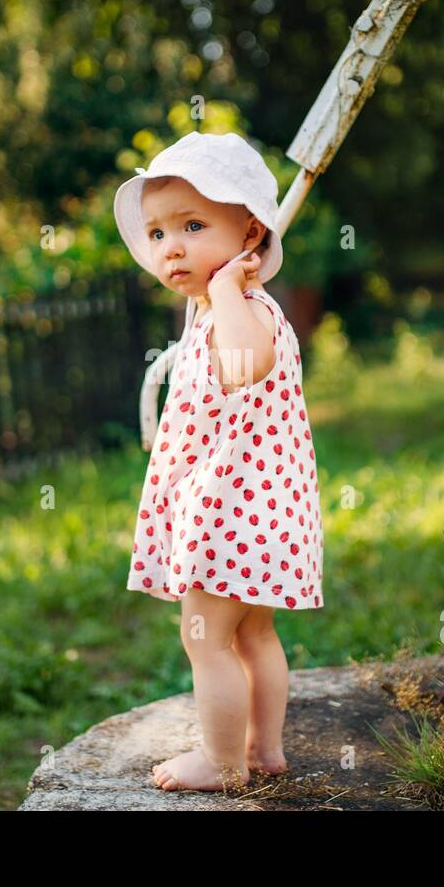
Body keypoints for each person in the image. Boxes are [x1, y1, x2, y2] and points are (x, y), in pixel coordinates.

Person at [113, 131, 324, 792]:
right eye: (156, 232)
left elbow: (242, 368)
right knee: (252, 636)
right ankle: (265, 748)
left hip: (234, 517)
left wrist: (230, 290)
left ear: (250, 232)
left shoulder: (247, 309)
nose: (170, 245)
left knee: (206, 640)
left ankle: (224, 760)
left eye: (193, 225)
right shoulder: (213, 311)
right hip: (250, 515)